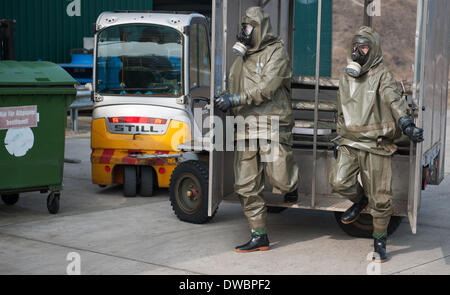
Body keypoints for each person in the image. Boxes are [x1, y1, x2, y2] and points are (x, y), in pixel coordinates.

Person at [329, 26, 424, 263]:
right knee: (338, 182)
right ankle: (360, 200)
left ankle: (379, 241)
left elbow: (393, 100)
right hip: (350, 142)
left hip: (376, 143)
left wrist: (405, 122)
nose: (358, 52)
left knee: (381, 198)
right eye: (355, 47)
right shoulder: (345, 77)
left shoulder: (382, 75)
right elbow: (340, 111)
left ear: (374, 50)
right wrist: (338, 138)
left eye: (363, 47)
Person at [214, 6, 299, 253]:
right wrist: (225, 101)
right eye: (243, 28)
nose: (244, 32)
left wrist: (235, 99)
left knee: (280, 180)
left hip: (271, 123)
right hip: (246, 127)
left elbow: (267, 88)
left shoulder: (277, 52)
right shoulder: (241, 58)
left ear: (259, 28)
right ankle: (259, 235)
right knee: (245, 184)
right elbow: (233, 87)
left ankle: (292, 186)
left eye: (248, 28)